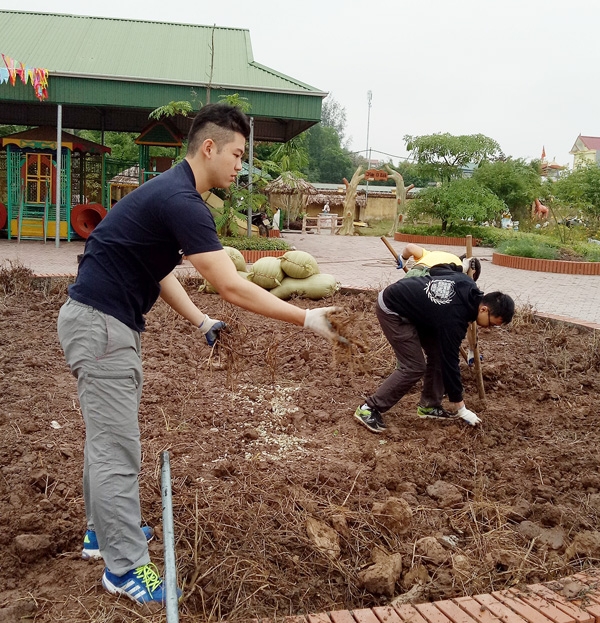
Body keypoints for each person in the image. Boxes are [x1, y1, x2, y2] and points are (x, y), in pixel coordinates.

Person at [57, 103, 341, 605]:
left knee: (108, 439)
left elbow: (157, 271)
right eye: (237, 154)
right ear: (208, 148)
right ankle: (123, 569)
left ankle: (102, 533)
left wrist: (202, 320)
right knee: (116, 448)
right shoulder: (182, 200)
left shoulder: (168, 194)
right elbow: (232, 285)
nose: (240, 166)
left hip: (102, 323)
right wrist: (306, 318)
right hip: (102, 329)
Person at [354, 265, 514, 433]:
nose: (489, 328)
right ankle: (369, 408)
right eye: (491, 323)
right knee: (414, 367)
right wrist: (461, 408)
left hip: (417, 311)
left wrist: (458, 266)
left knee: (438, 353)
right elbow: (450, 363)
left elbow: (438, 270)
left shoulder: (467, 282)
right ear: (484, 309)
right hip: (393, 308)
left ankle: (429, 405)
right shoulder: (454, 319)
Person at [398, 242, 481, 282]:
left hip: (413, 272)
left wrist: (403, 260)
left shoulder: (434, 254)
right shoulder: (458, 268)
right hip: (430, 279)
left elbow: (410, 247)